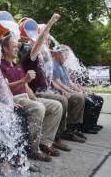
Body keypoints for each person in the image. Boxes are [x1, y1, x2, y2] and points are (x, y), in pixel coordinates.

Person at [0, 34, 63, 162]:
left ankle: (45, 142)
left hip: (26, 97)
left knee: (56, 106)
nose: (17, 48)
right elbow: (5, 89)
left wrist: (35, 99)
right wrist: (24, 80)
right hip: (13, 98)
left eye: (17, 46)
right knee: (38, 108)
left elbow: (27, 87)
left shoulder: (17, 65)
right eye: (13, 46)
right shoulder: (1, 65)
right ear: (5, 49)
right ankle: (33, 149)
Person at [20, 13, 79, 148]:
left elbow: (49, 77)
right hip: (36, 92)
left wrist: (62, 89)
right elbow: (38, 43)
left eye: (47, 39)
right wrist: (50, 22)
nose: (47, 40)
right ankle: (52, 139)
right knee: (62, 101)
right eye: (44, 37)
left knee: (64, 98)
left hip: (45, 90)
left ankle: (56, 136)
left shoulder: (43, 55)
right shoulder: (30, 52)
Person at [51, 45, 91, 139]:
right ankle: (69, 129)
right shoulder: (54, 65)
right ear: (58, 54)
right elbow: (58, 84)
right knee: (79, 97)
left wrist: (80, 90)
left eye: (67, 55)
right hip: (57, 92)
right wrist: (71, 91)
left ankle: (75, 128)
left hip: (64, 91)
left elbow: (69, 82)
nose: (66, 57)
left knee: (81, 96)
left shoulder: (62, 66)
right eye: (65, 55)